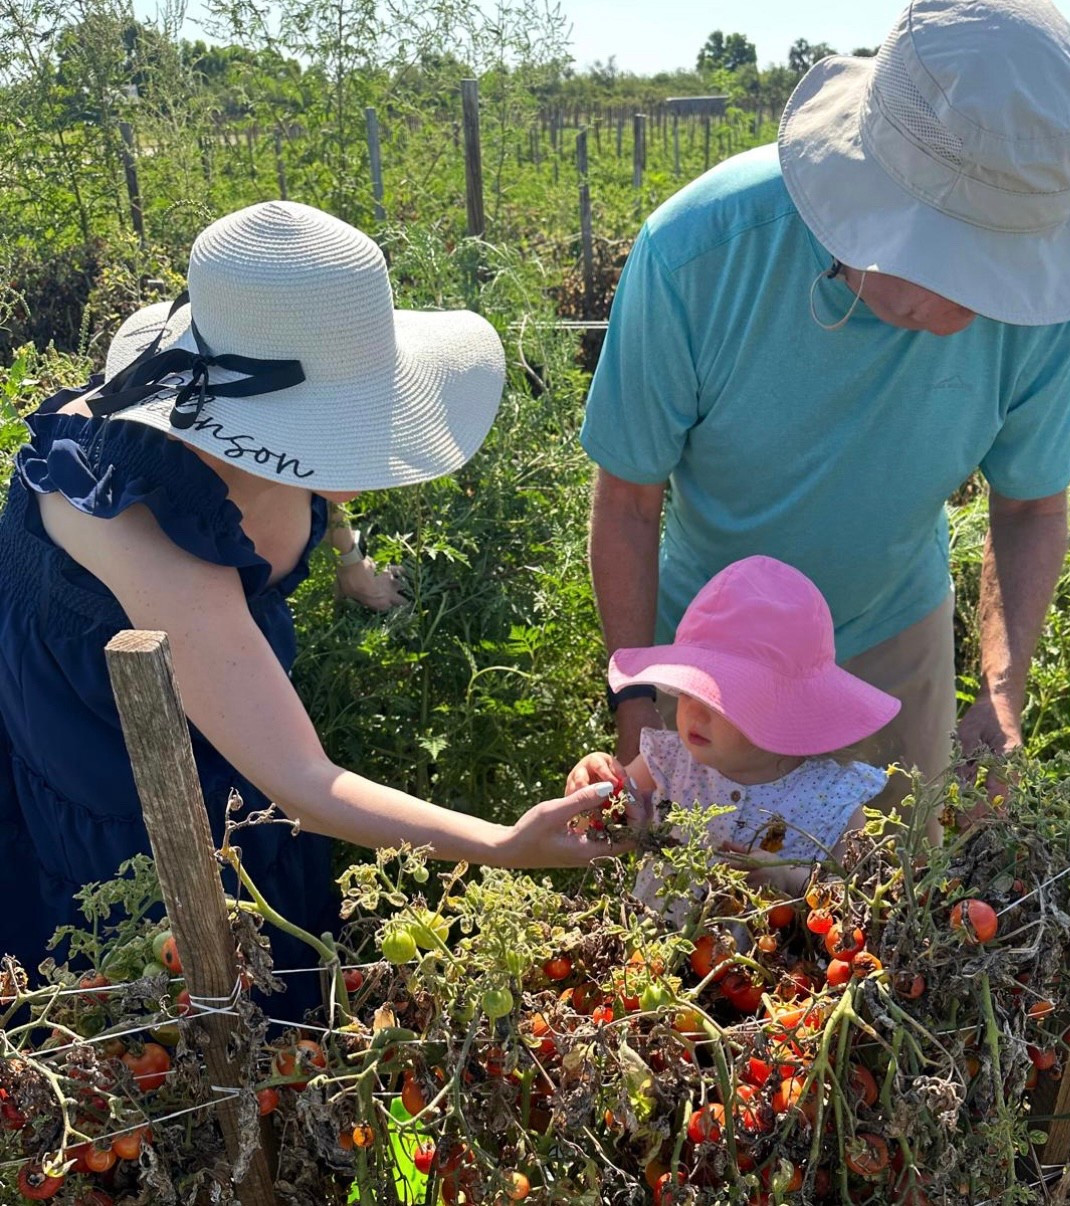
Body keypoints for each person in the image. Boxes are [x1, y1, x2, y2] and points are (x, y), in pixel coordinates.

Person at [0, 200, 626, 986]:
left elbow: (317, 484)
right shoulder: (141, 534)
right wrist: (505, 845)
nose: (364, 457)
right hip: (101, 732)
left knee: (257, 856)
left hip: (213, 666)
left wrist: (349, 564)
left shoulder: (249, 419)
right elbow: (300, 783)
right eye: (351, 426)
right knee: (176, 960)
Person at [580, 0, 1070, 812]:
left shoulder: (1045, 305)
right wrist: (637, 710)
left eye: (1003, 271)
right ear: (864, 204)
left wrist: (1001, 688)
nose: (976, 308)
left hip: (892, 641)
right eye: (958, 266)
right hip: (715, 660)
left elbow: (1028, 509)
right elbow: (629, 502)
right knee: (703, 911)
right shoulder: (697, 254)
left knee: (886, 906)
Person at [573, 556, 900, 903]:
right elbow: (598, 829)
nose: (694, 709)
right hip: (656, 951)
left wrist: (788, 878)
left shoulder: (832, 799)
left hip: (770, 957)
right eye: (688, 688)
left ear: (787, 709)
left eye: (720, 696)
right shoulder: (667, 762)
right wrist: (590, 789)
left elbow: (856, 905)